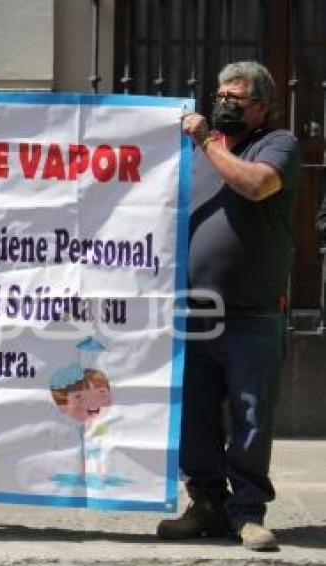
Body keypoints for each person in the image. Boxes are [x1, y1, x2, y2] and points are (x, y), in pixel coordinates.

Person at [157, 61, 299, 551]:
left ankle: (247, 513)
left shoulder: (278, 146)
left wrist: (206, 143)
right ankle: (207, 505)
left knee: (250, 419)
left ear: (261, 106)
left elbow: (256, 185)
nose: (222, 104)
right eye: (218, 95)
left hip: (250, 314)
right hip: (192, 313)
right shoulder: (194, 155)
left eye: (234, 99)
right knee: (193, 419)